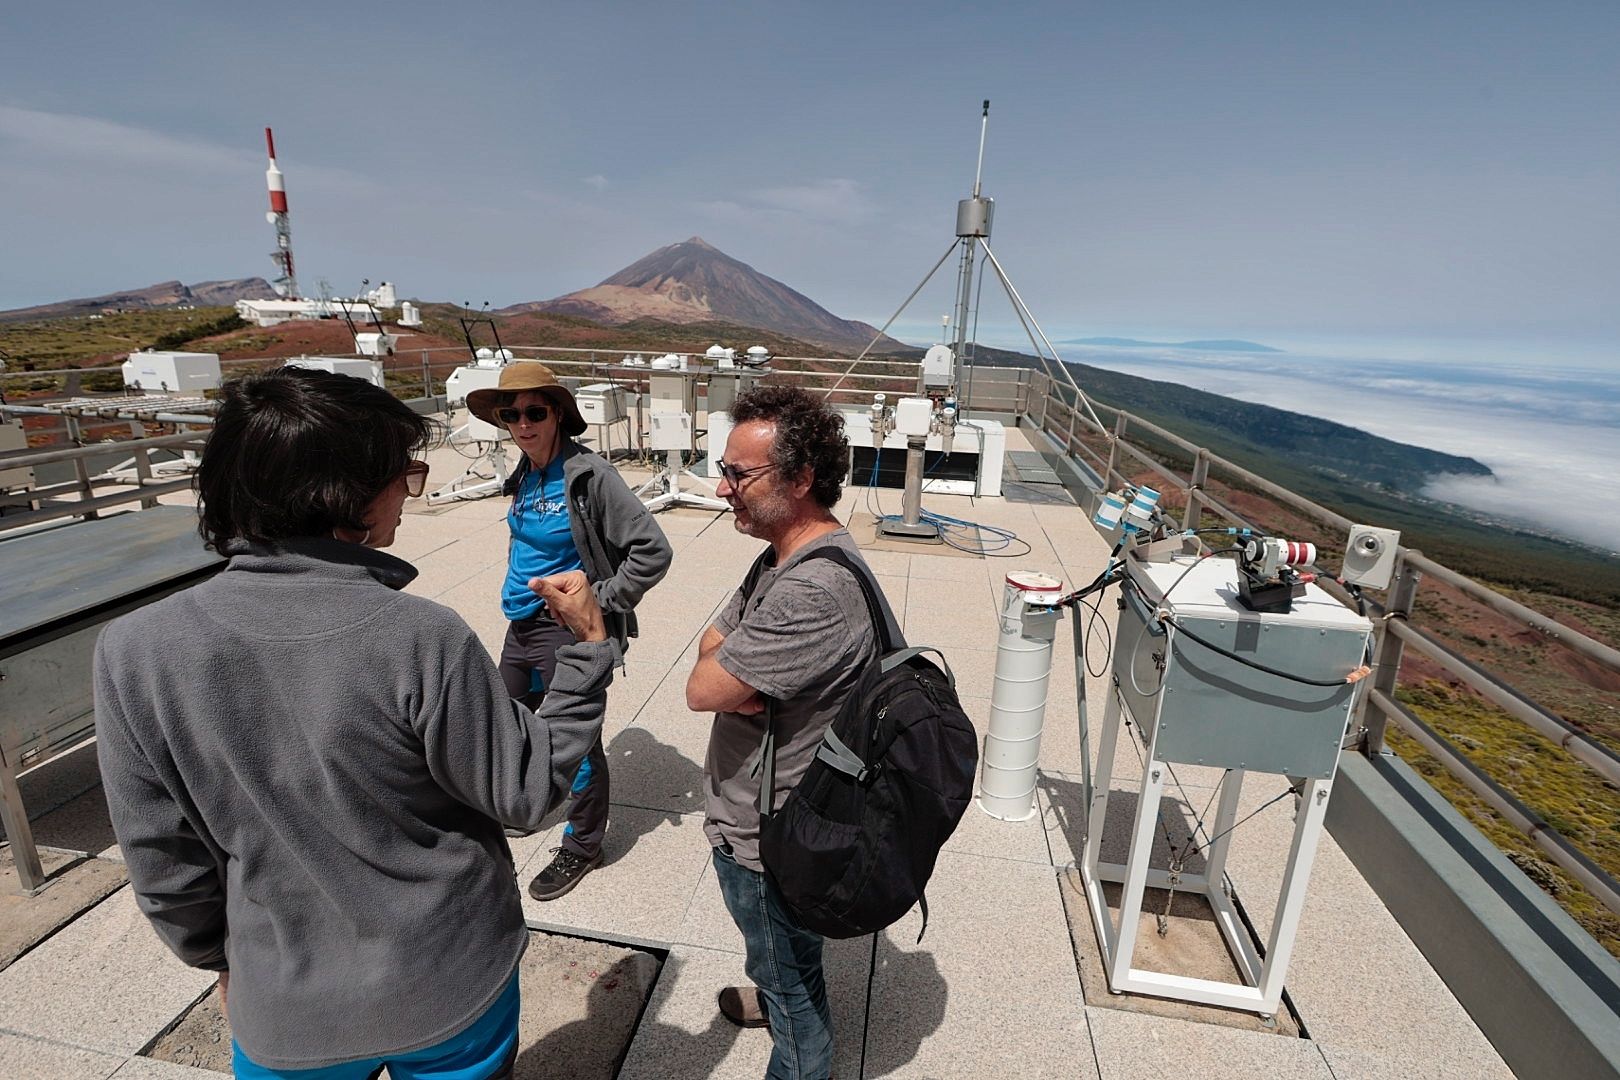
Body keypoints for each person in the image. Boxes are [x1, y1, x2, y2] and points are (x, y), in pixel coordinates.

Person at [94, 366, 615, 1080]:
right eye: (405, 472)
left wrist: (230, 963)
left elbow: (162, 861)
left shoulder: (133, 652)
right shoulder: (421, 637)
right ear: (349, 496)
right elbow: (526, 794)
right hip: (450, 985)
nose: (409, 487)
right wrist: (587, 651)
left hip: (284, 1006)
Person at [685, 384, 901, 1080]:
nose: (723, 489)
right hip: (774, 815)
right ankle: (779, 987)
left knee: (786, 969)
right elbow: (710, 645)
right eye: (724, 469)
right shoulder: (786, 554)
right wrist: (731, 670)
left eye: (739, 475)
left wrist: (733, 679)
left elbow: (701, 686)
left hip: (771, 835)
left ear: (802, 479)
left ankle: (796, 1036)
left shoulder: (812, 589)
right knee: (778, 952)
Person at [465, 362, 672, 901]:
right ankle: (529, 801)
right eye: (511, 414)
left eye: (535, 411)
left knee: (577, 742)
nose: (523, 423)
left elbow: (652, 551)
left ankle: (582, 845)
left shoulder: (590, 475)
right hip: (521, 624)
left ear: (558, 412)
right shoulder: (525, 472)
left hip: (564, 629)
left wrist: (595, 602)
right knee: (510, 721)